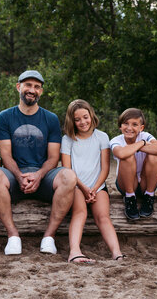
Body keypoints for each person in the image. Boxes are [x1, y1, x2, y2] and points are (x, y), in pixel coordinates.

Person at [0, 70, 78, 255]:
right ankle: (13, 236)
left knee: (69, 175)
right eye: (28, 85)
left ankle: (49, 237)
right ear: (18, 87)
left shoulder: (50, 118)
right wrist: (19, 177)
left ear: (41, 92)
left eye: (36, 87)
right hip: (14, 175)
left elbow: (53, 158)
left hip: (43, 176)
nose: (32, 90)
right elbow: (6, 154)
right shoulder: (5, 117)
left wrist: (38, 175)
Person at [61, 99, 125, 263]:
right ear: (72, 121)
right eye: (77, 119)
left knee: (103, 216)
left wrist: (95, 188)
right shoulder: (68, 139)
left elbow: (105, 168)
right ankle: (75, 252)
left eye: (85, 117)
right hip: (76, 186)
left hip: (98, 186)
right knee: (80, 212)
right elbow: (68, 170)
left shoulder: (102, 137)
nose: (83, 122)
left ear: (91, 116)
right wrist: (84, 189)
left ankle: (117, 252)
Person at [110, 108, 157, 220]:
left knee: (154, 156)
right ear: (120, 126)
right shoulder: (116, 140)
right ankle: (130, 198)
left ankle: (149, 196)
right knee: (127, 157)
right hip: (126, 183)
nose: (129, 128)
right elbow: (121, 153)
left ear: (141, 128)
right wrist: (142, 144)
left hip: (147, 182)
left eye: (134, 124)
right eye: (126, 124)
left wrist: (138, 147)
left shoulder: (145, 135)